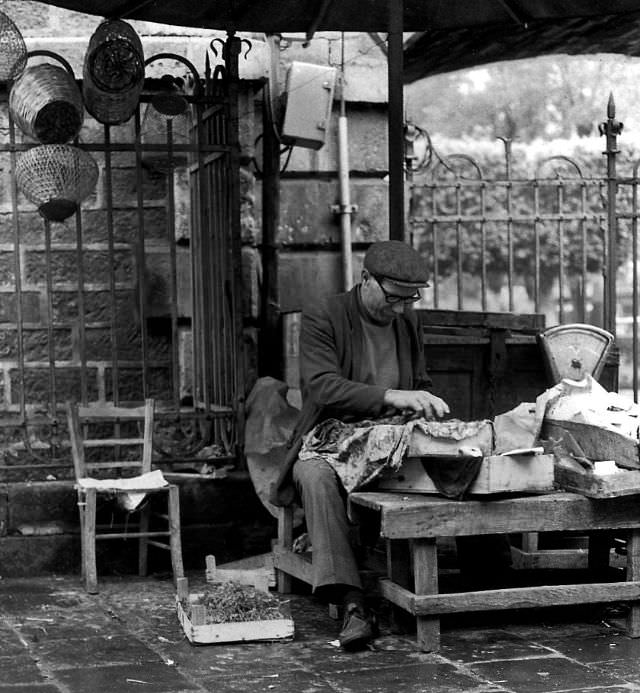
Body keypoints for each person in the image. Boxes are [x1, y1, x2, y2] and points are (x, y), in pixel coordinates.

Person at [271, 240, 450, 651]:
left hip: (389, 436)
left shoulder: (408, 321)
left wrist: (423, 403)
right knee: (316, 477)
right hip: (328, 436)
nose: (401, 309)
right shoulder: (325, 315)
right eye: (394, 299)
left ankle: (483, 578)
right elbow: (322, 387)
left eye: (410, 300)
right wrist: (392, 395)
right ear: (366, 279)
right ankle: (352, 603)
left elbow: (419, 383)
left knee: (461, 459)